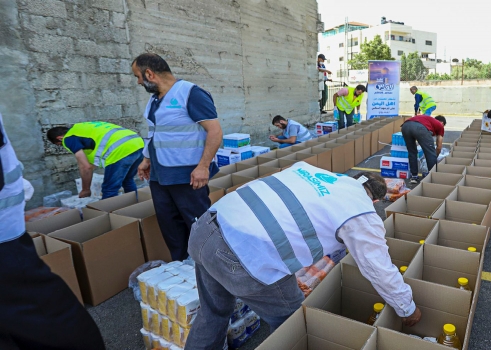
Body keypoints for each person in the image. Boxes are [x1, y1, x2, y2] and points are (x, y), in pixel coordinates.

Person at [185, 164, 422, 349]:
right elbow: (378, 268)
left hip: (206, 227)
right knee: (297, 324)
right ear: (375, 200)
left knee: (212, 312)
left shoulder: (309, 172)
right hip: (242, 253)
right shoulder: (360, 211)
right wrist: (407, 308)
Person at [0, 113, 105, 349]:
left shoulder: (70, 138)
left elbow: (86, 165)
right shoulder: (83, 129)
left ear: (59, 139)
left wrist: (85, 190)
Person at [131, 53, 223, 261]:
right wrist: (146, 159)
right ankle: (182, 266)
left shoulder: (190, 93)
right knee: (169, 225)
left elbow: (215, 132)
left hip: (187, 175)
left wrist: (203, 167)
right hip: (160, 175)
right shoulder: (154, 101)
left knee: (199, 225)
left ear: (149, 74)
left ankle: (212, 267)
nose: (138, 82)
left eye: (138, 76)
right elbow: (155, 133)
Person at [46, 122, 144, 199]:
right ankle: (135, 206)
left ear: (59, 138)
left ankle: (110, 218)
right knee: (127, 180)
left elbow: (85, 167)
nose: (64, 146)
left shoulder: (68, 138)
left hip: (120, 150)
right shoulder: (81, 129)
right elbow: (91, 163)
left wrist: (85, 190)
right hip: (138, 144)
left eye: (60, 144)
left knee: (109, 189)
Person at [401, 115, 447, 184]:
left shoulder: (427, 120)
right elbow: (439, 147)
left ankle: (414, 177)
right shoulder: (440, 126)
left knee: (412, 152)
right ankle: (433, 177)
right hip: (420, 128)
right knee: (430, 153)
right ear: (442, 123)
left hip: (405, 126)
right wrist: (435, 156)